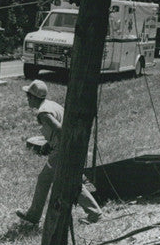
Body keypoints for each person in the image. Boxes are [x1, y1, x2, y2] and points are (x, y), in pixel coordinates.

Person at [16, 79, 102, 226]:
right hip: (72, 147)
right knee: (72, 181)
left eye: (28, 96)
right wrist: (49, 144)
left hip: (63, 150)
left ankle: (34, 215)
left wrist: (62, 151)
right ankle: (95, 214)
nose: (27, 99)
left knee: (45, 179)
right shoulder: (51, 105)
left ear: (34, 97)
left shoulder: (44, 113)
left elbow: (61, 131)